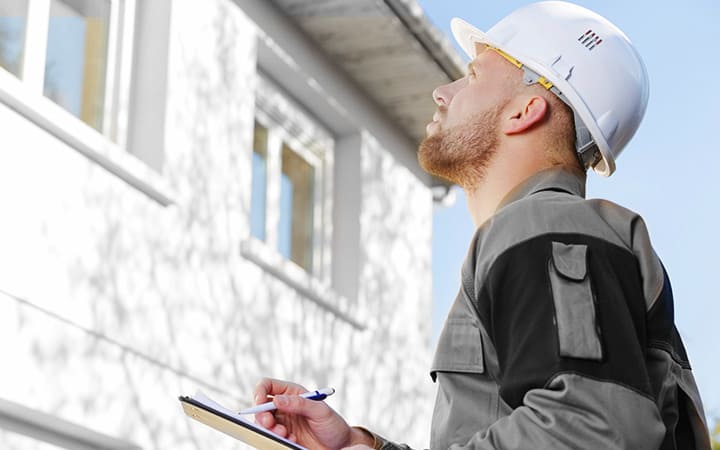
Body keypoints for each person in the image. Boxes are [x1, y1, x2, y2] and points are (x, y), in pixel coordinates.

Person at [252, 2, 711, 449]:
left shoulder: (544, 224)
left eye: (472, 75)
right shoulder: (547, 234)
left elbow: (590, 430)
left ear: (524, 111)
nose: (442, 92)